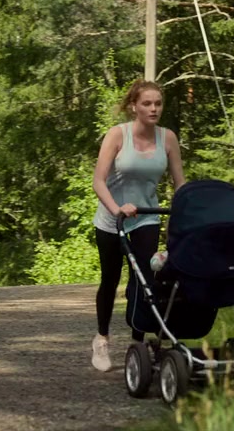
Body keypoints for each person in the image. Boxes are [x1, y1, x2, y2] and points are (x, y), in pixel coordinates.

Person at [89, 80, 185, 372]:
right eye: (147, 103)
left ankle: (138, 344)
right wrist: (116, 209)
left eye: (158, 103)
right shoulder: (118, 135)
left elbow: (180, 183)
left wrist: (188, 208)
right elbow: (98, 181)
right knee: (110, 279)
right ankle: (102, 338)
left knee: (143, 280)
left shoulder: (168, 138)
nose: (154, 108)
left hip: (146, 216)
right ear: (134, 106)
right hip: (112, 218)